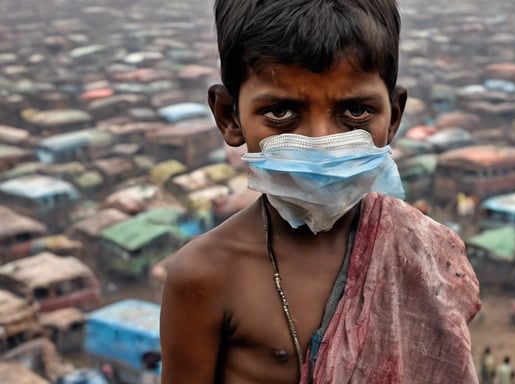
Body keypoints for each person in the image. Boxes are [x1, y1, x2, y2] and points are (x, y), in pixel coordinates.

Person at [160, 1, 481, 383]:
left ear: (393, 115)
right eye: (280, 113)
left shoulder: (426, 255)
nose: (321, 141)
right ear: (229, 117)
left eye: (357, 112)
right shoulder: (206, 273)